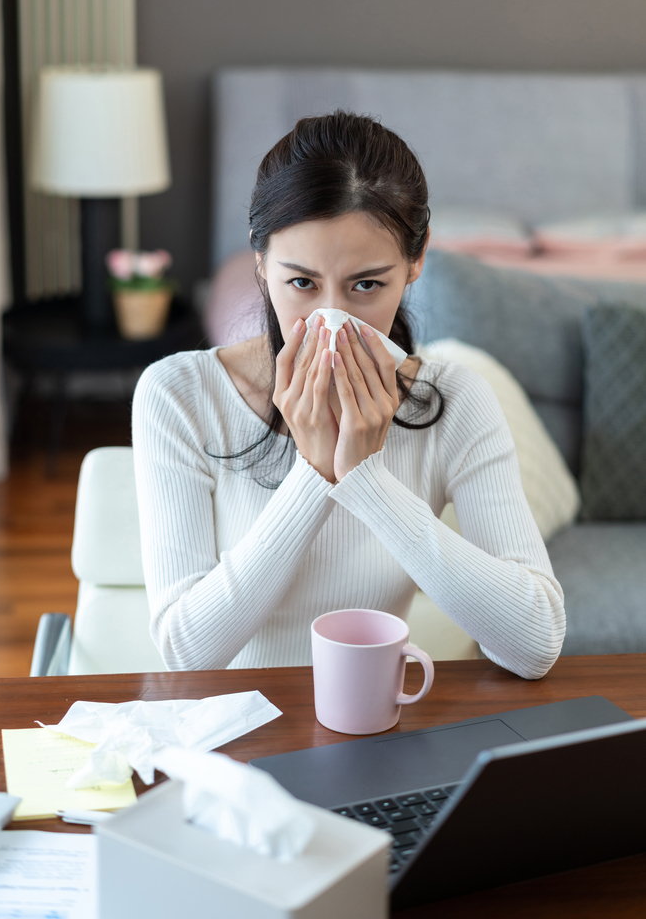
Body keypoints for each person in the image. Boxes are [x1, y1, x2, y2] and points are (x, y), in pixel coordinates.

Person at [132, 111, 565, 677]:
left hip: (375, 728)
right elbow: (187, 652)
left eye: (366, 285)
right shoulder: (180, 395)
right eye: (302, 283)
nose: (330, 320)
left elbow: (535, 645)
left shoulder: (454, 401)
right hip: (232, 738)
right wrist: (315, 473)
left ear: (416, 261)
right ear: (260, 264)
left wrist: (364, 479)